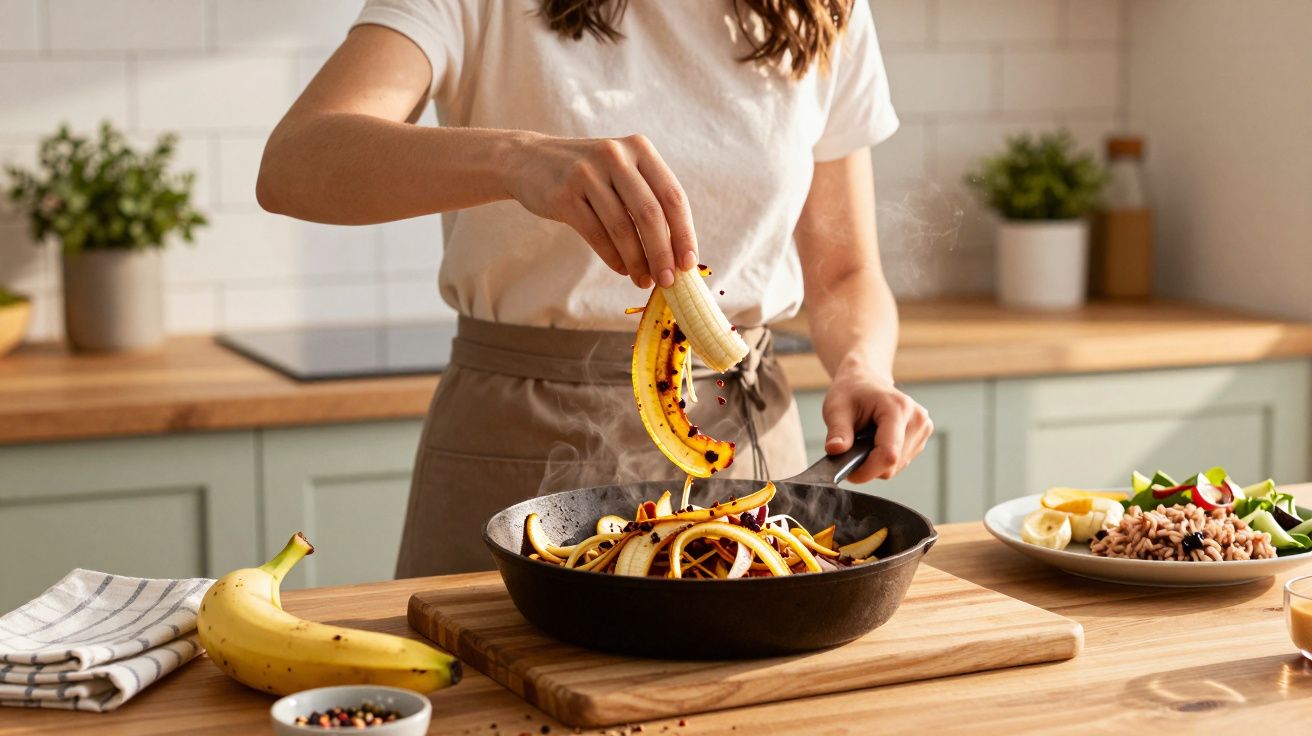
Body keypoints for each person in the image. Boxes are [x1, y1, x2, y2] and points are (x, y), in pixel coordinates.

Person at [256, 0, 933, 577]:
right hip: (518, 438)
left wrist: (863, 367)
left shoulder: (819, 6)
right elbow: (296, 160)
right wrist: (515, 159)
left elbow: (845, 273)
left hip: (751, 444)